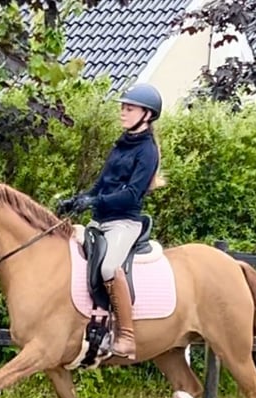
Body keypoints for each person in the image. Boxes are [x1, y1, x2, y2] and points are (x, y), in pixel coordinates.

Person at [57, 83, 164, 360]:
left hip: (123, 223)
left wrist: (96, 202)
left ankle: (126, 335)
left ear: (147, 115)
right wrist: (78, 199)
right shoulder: (121, 144)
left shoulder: (147, 151)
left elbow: (131, 195)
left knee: (107, 267)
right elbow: (101, 185)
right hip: (100, 220)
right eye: (123, 107)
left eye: (129, 108)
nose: (123, 112)